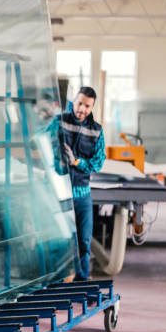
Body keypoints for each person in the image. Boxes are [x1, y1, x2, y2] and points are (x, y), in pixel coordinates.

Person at [58, 86, 106, 281]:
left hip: (83, 195)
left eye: (87, 106)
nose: (82, 109)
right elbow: (38, 138)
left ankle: (82, 282)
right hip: (60, 194)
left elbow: (98, 162)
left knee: (84, 242)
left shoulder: (96, 131)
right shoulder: (59, 121)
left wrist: (76, 161)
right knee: (60, 241)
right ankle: (58, 283)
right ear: (74, 101)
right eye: (79, 104)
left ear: (92, 107)